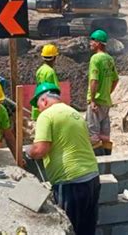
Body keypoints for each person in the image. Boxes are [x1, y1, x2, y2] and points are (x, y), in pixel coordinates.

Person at [26, 83, 100, 235]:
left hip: (71, 182)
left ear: (44, 100)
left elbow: (40, 149)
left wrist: (29, 152)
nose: (38, 109)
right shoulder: (74, 113)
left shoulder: (46, 116)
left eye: (38, 105)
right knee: (87, 229)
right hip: (92, 178)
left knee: (68, 229)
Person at [86, 29, 119, 156]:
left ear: (98, 43)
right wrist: (107, 93)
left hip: (96, 102)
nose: (90, 42)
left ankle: (97, 162)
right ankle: (107, 160)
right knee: (105, 136)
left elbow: (94, 80)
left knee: (93, 135)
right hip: (105, 102)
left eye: (92, 40)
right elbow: (115, 79)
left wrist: (93, 100)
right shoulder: (109, 59)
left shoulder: (95, 58)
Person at [31, 44, 60, 121]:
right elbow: (54, 92)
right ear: (54, 58)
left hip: (38, 105)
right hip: (47, 108)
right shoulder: (50, 72)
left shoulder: (40, 70)